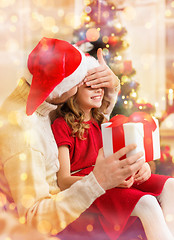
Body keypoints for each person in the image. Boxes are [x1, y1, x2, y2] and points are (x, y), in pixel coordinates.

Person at [0, 37, 145, 237]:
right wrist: (98, 181)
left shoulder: (46, 100)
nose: (85, 81)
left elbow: (87, 119)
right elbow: (34, 220)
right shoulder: (23, 133)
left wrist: (112, 87)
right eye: (80, 81)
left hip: (72, 207)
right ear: (63, 88)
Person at [52, 80, 174, 240]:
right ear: (73, 90)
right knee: (147, 203)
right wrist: (105, 181)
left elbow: (122, 157)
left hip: (112, 178)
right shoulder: (62, 125)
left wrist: (142, 165)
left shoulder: (104, 123)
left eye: (100, 87)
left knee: (171, 185)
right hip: (89, 185)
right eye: (90, 87)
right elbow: (63, 181)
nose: (98, 91)